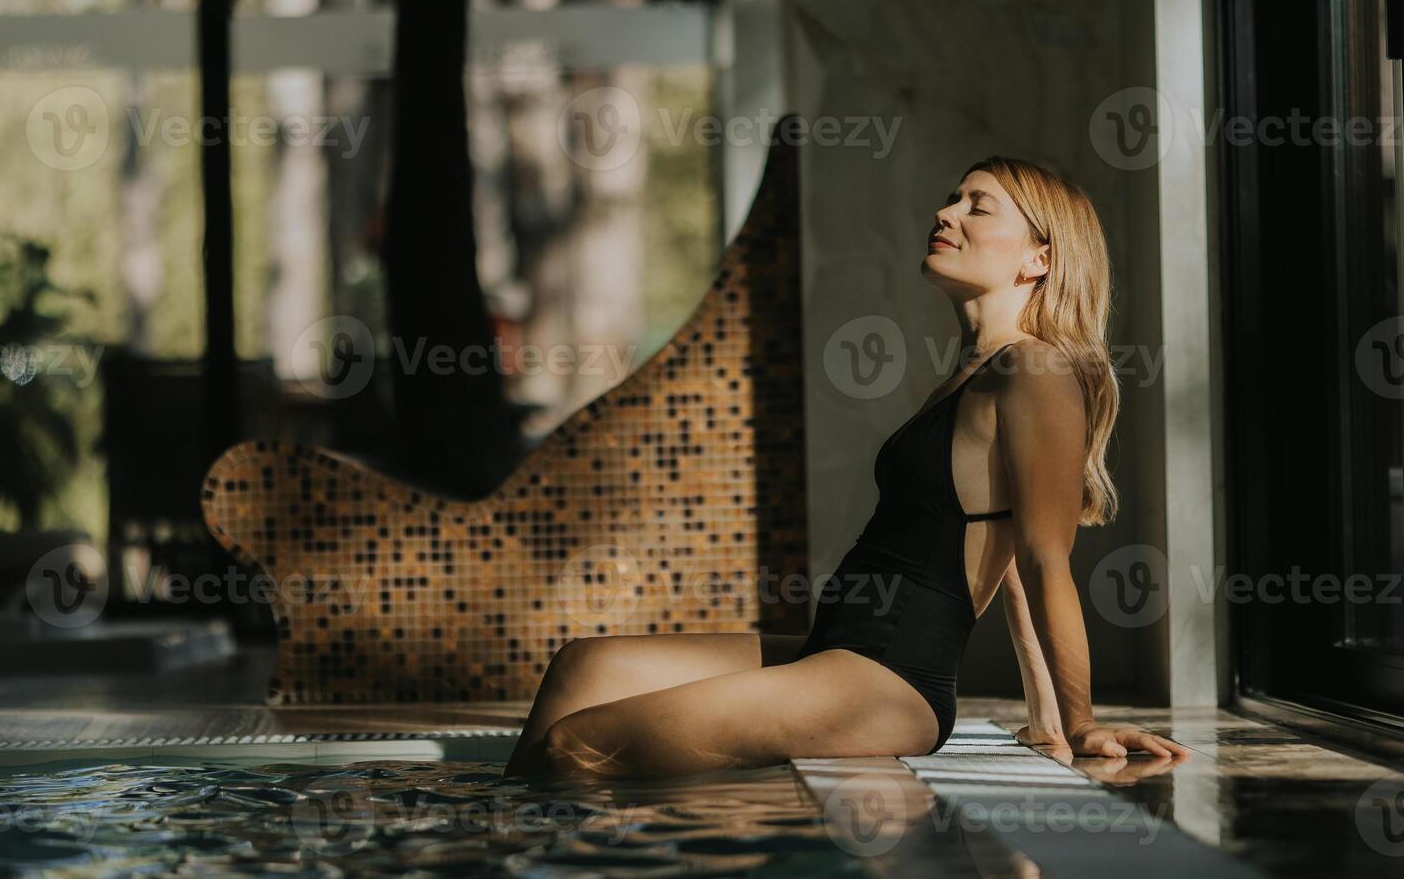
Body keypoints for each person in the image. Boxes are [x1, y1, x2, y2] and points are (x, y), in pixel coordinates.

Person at [502, 156, 1190, 780]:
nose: (945, 214)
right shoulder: (969, 373)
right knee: (583, 664)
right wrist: (1042, 719)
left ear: (1038, 259)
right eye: (952, 197)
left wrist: (1079, 721)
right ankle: (519, 841)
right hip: (835, 645)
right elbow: (1002, 559)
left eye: (976, 206)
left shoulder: (1035, 369)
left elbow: (1043, 558)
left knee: (579, 748)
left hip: (885, 679)